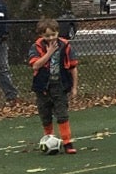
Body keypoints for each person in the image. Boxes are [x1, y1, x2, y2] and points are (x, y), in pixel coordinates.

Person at [27, 17, 78, 153]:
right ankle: (49, 138)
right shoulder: (36, 47)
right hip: (42, 86)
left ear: (58, 32)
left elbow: (73, 67)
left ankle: (67, 143)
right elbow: (36, 65)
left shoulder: (65, 45)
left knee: (62, 114)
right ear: (41, 35)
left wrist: (74, 87)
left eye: (53, 35)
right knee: (45, 114)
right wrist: (49, 53)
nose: (51, 38)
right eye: (47, 35)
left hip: (59, 85)